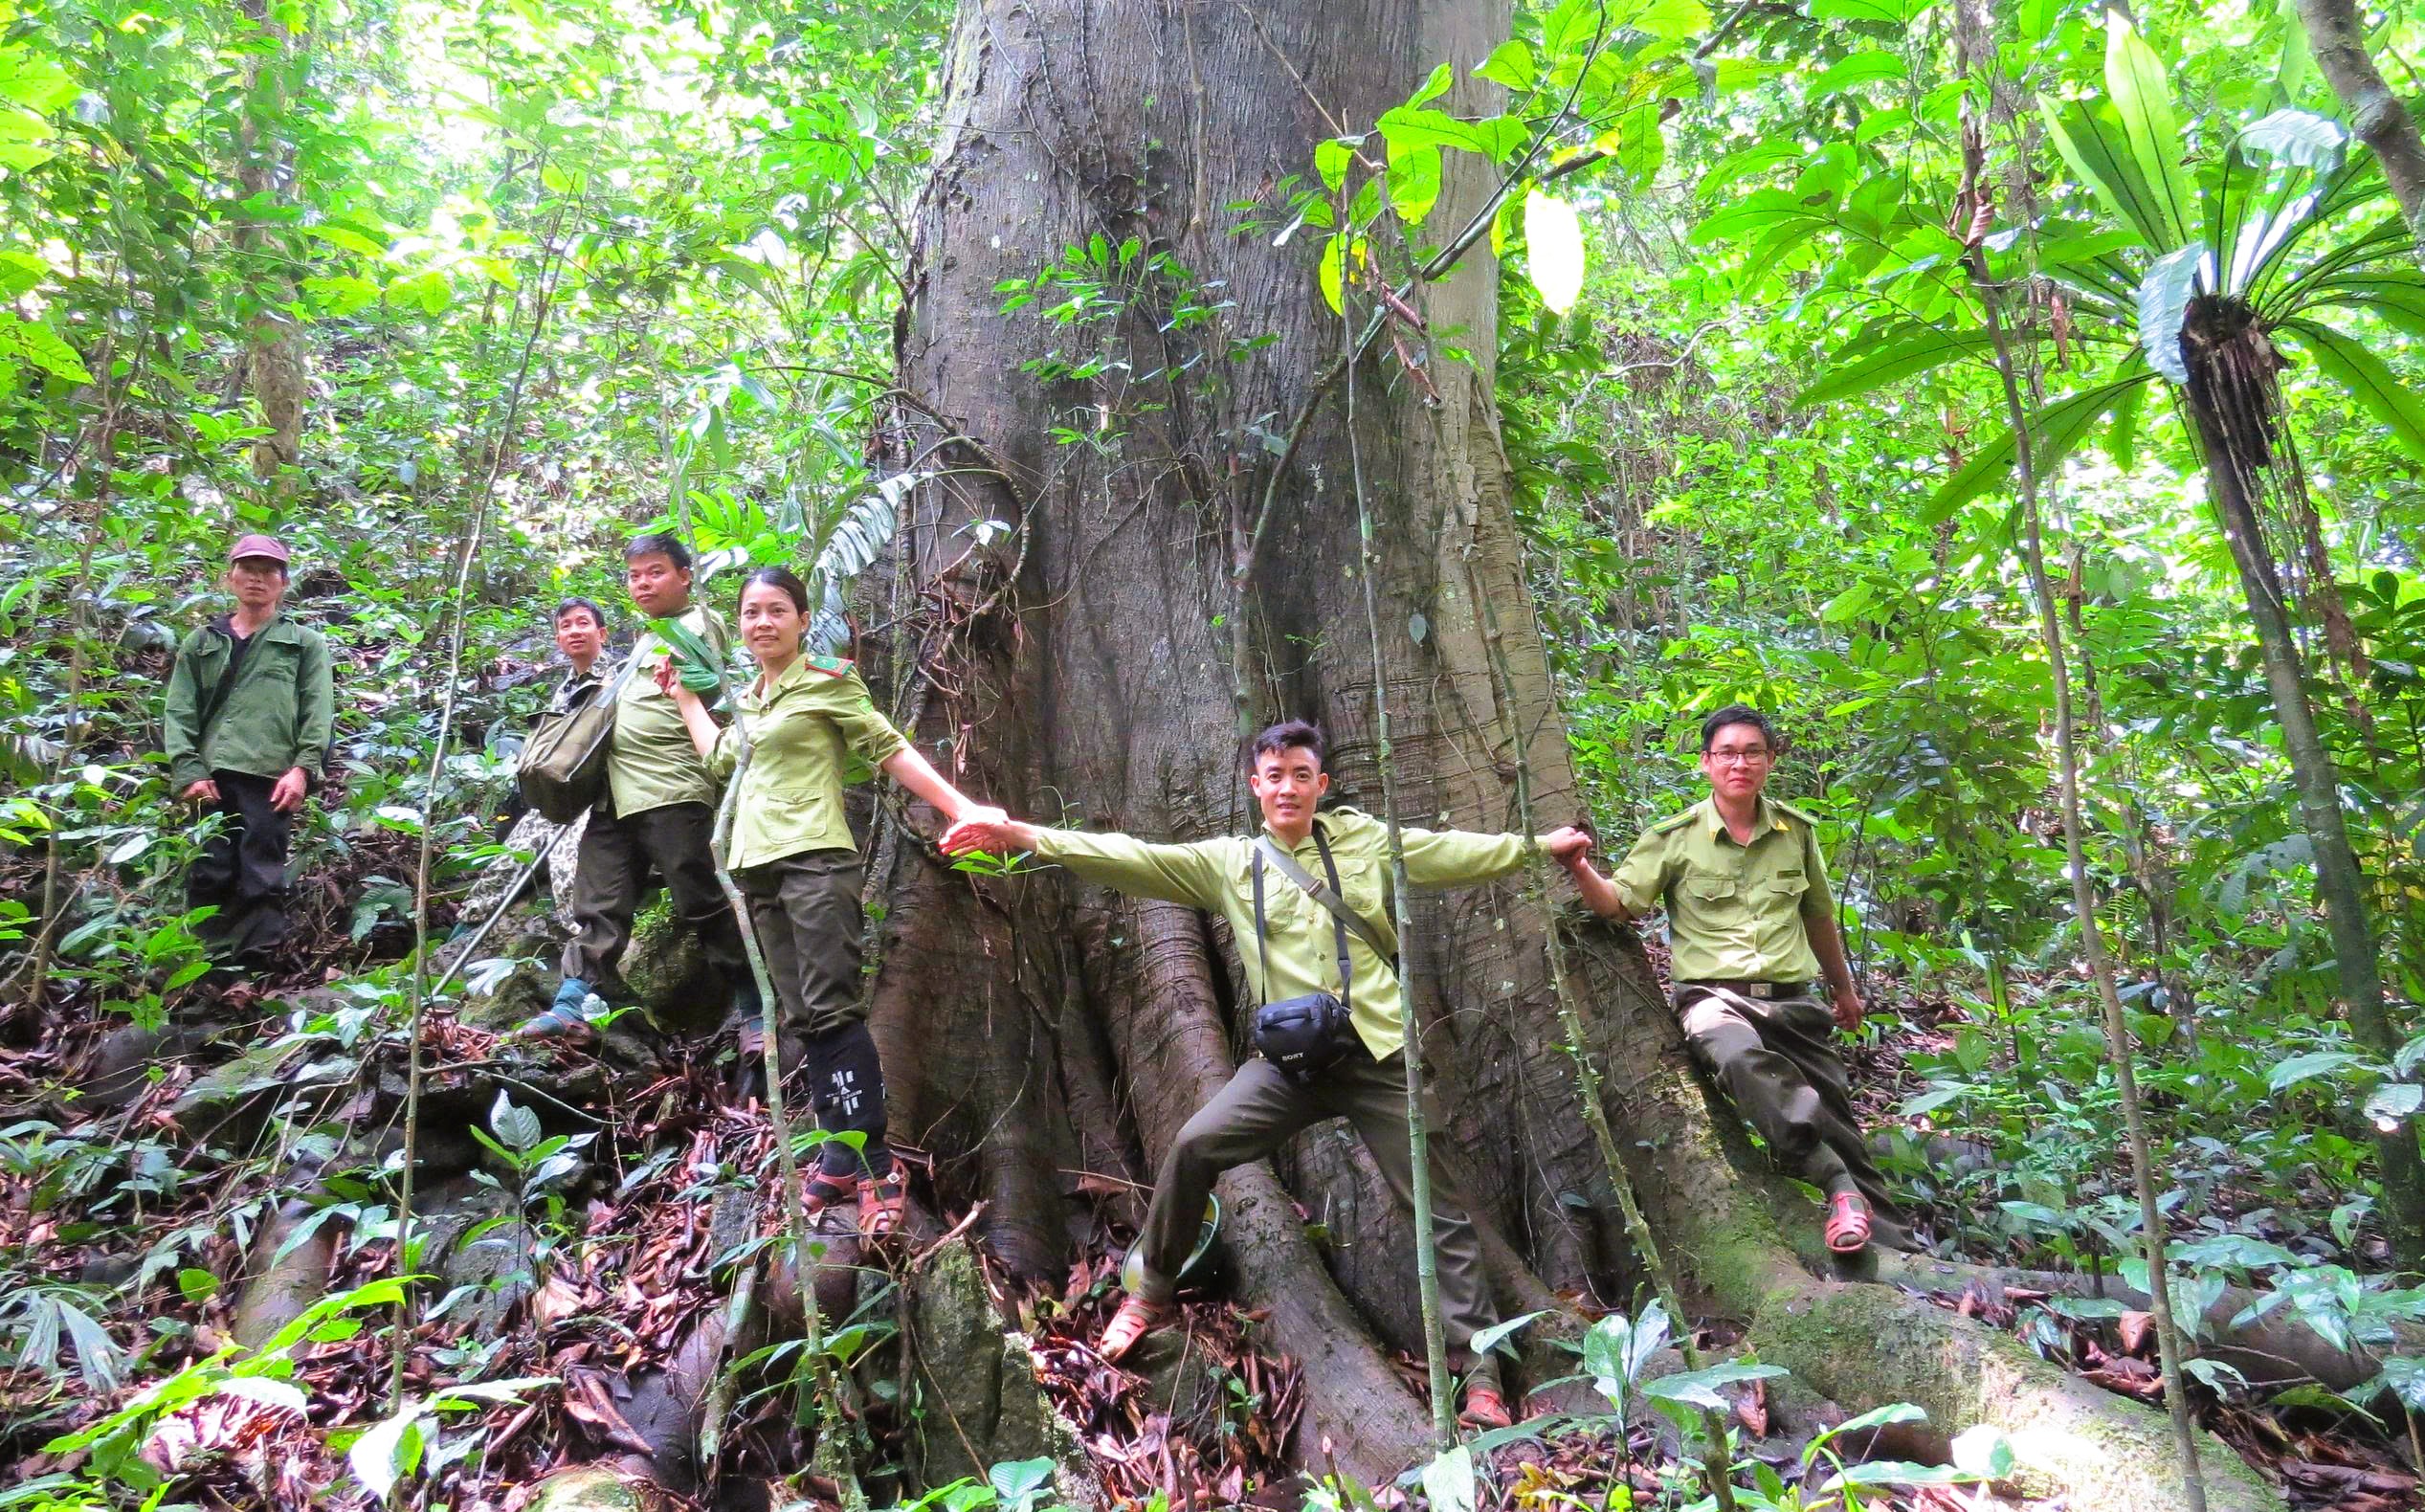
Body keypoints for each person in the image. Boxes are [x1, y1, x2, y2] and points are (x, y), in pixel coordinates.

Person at [941, 720, 1591, 1430]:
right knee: (1194, 1145)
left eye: (1301, 775)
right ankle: (1150, 1289)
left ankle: (1482, 1376)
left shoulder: (1366, 842)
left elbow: (1454, 853)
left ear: (1321, 784)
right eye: (1274, 776)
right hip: (1288, 1066)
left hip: (1377, 1056)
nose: (1288, 788)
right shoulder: (1231, 862)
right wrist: (1025, 836)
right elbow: (1130, 857)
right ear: (1256, 787)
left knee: (1437, 1211)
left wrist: (1543, 848)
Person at [659, 566, 1003, 1236]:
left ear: (802, 619)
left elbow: (888, 748)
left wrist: (959, 806)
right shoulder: (752, 698)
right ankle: (838, 1156)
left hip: (814, 861)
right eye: (752, 612)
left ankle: (874, 1162)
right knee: (805, 1020)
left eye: (776, 610)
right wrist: (684, 701)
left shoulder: (827, 682)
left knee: (833, 1012)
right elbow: (724, 760)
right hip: (756, 874)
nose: (763, 622)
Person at [1563, 704, 1907, 1256]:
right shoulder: (1674, 838)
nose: (1739, 763)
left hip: (1794, 1002)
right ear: (1705, 762)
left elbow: (1818, 916)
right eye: (1727, 752)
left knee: (1841, 1122)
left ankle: (1897, 1252)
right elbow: (1619, 906)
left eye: (1752, 752)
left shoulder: (1795, 833)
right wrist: (1580, 867)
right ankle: (1834, 1185)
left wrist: (1844, 991)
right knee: (1737, 1056)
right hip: (1715, 997)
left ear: (1770, 761)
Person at [520, 537, 752, 1042]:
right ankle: (571, 1004)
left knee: (703, 901)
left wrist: (688, 675)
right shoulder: (647, 639)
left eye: (655, 572)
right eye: (634, 576)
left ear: (684, 576)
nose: (643, 583)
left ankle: (754, 1007)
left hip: (670, 788)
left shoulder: (698, 624)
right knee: (598, 904)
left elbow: (712, 685)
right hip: (615, 796)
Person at [162, 533, 335, 968]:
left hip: (269, 773)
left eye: (267, 572)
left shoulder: (303, 643)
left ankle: (256, 968)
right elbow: (179, 709)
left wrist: (303, 769)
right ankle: (207, 962)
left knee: (261, 869)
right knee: (209, 868)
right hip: (211, 773)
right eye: (248, 570)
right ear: (230, 577)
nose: (256, 580)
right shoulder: (202, 642)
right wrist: (187, 769)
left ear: (282, 583)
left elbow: (318, 710)